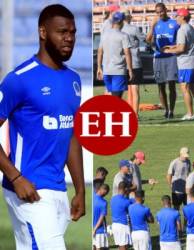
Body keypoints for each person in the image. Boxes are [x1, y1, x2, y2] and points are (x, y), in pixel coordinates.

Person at [0, 5, 85, 249]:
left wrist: (80, 190)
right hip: (29, 189)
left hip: (58, 189)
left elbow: (71, 136)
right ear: (43, 32)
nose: (69, 38)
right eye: (62, 32)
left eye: (73, 32)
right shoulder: (19, 79)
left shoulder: (73, 80)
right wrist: (15, 177)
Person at [162, 8, 194, 121]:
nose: (176, 18)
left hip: (185, 63)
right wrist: (172, 47)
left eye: (177, 16)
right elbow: (184, 45)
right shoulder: (190, 28)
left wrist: (168, 51)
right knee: (193, 87)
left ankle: (190, 113)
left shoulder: (182, 30)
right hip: (192, 62)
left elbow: (181, 48)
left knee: (184, 88)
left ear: (183, 17)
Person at [146, 3, 179, 119]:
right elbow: (148, 40)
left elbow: (180, 41)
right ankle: (166, 110)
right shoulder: (156, 24)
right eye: (157, 12)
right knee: (160, 86)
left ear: (166, 10)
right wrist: (152, 26)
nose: (159, 14)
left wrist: (172, 48)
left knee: (171, 85)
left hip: (171, 58)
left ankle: (172, 111)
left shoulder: (174, 24)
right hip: (158, 58)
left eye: (161, 11)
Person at [97, 12, 133, 98]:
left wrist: (99, 68)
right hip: (118, 71)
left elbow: (100, 52)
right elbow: (127, 54)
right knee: (116, 100)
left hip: (106, 71)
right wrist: (130, 70)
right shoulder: (123, 36)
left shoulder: (104, 35)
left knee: (111, 98)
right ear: (121, 21)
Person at [122, 10, 146, 115]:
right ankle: (135, 115)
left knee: (128, 90)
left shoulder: (118, 30)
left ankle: (129, 113)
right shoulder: (134, 29)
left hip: (122, 63)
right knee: (135, 89)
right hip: (134, 61)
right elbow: (145, 39)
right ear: (129, 18)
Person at [111, 181, 133, 250]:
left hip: (115, 225)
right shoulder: (126, 201)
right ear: (126, 189)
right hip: (122, 226)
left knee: (121, 246)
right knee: (124, 246)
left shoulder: (113, 199)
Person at [93, 181, 110, 250]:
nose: (106, 194)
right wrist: (95, 229)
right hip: (99, 230)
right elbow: (101, 218)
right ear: (104, 190)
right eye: (107, 192)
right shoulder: (103, 203)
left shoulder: (93, 196)